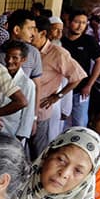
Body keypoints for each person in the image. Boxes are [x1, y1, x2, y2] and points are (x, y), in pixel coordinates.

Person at [31, 16, 87, 155]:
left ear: (42, 33)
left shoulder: (58, 53)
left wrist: (57, 96)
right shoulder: (28, 50)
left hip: (40, 109)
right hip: (23, 108)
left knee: (38, 148)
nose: (28, 37)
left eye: (32, 34)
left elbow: (77, 77)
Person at [60, 10, 100, 129]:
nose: (80, 26)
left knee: (79, 123)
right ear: (68, 22)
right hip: (61, 89)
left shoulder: (89, 41)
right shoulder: (61, 41)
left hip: (81, 90)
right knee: (60, 123)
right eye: (76, 22)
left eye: (84, 23)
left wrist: (89, 85)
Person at [0, 40, 38, 143]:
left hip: (13, 132)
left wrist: (20, 138)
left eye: (15, 58)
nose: (10, 61)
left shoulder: (27, 84)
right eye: (8, 57)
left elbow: (28, 114)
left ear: (23, 59)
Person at [0, 9, 43, 80]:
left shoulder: (34, 53)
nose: (33, 33)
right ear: (16, 30)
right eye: (30, 29)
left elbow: (37, 84)